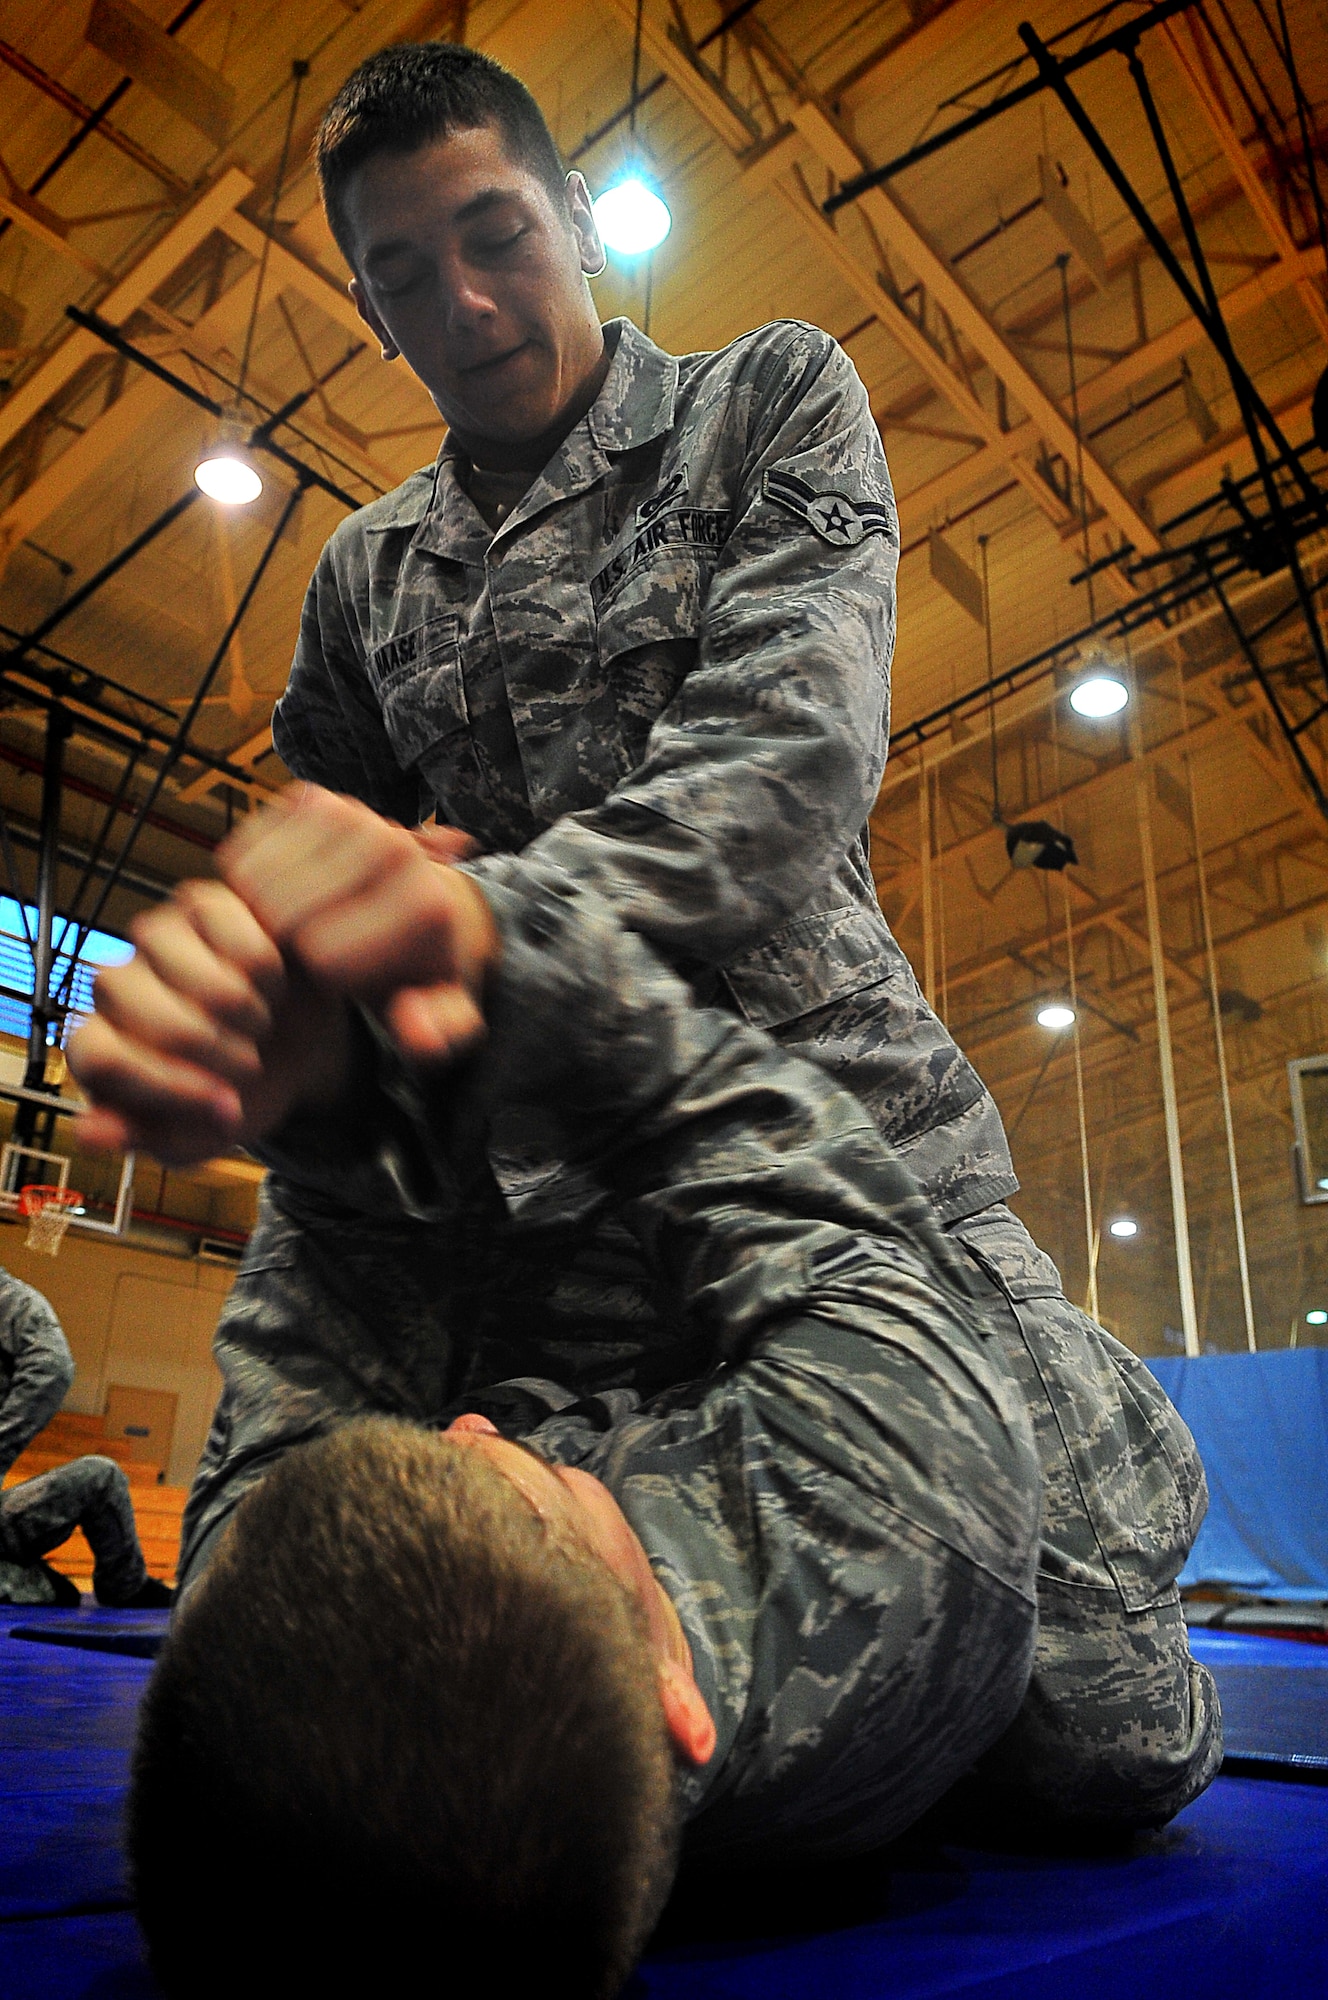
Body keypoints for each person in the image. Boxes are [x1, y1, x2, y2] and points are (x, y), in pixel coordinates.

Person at [260, 35, 1212, 1862]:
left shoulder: (766, 402)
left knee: (1106, 1739)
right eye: (405, 277)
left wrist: (477, 914)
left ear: (572, 218)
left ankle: (945, 1508)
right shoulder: (361, 585)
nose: (464, 306)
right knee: (520, 1727)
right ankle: (636, 1540)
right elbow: (343, 902)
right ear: (369, 312)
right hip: (570, 1264)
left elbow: (779, 772)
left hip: (863, 1183)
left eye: (494, 237)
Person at [71, 788, 1218, 2000]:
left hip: (580, 1333)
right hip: (889, 1346)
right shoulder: (899, 1511)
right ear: (677, 1696)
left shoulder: (274, 1601)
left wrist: (320, 1086)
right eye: (530, 1496)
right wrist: (497, 936)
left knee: (421, 1368)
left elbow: (320, 1338)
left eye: (427, 1449)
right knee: (1107, 1733)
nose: (468, 1431)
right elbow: (765, 1149)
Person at [0, 1264, 172, 1608]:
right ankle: (42, 1583)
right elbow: (51, 1367)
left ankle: (118, 1583)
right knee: (100, 1476)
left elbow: (51, 1368)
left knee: (100, 1476)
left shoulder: (9, 1301)